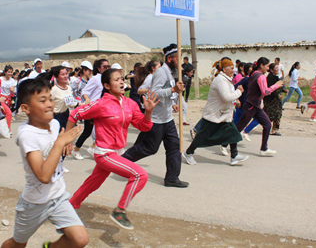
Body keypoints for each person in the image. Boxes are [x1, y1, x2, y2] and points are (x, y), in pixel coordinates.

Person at [0, 77, 88, 248]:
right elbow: (43, 175)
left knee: (80, 239)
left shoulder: (54, 124)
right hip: (34, 203)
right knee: (18, 244)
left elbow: (54, 150)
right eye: (42, 100)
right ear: (26, 108)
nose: (49, 104)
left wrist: (65, 143)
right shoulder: (27, 135)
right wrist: (60, 144)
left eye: (50, 98)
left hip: (58, 196)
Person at [67, 69, 158, 230]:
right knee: (140, 175)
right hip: (104, 153)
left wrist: (148, 112)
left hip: (117, 152)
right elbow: (75, 114)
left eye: (122, 79)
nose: (122, 82)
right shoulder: (101, 104)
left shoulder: (130, 104)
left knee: (93, 183)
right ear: (107, 86)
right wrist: (67, 140)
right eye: (117, 80)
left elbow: (143, 126)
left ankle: (69, 206)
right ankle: (119, 211)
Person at [122, 43, 189, 188]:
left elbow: (169, 92)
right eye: (178, 58)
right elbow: (154, 92)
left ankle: (172, 178)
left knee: (175, 147)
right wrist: (172, 89)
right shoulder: (161, 72)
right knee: (149, 148)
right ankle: (122, 162)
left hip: (168, 118)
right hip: (156, 120)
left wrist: (173, 101)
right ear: (170, 59)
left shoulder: (172, 73)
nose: (181, 61)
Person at [182, 58, 248, 166]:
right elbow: (226, 97)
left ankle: (234, 156)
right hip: (214, 115)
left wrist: (235, 100)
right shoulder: (220, 80)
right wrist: (239, 92)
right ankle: (188, 153)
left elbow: (229, 96)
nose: (233, 70)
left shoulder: (226, 79)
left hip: (224, 114)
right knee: (201, 136)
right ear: (225, 69)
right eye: (231, 68)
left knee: (233, 133)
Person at [236, 57, 284, 156]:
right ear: (261, 65)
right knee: (238, 128)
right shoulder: (260, 76)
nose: (268, 68)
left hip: (255, 106)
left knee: (267, 124)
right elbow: (265, 92)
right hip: (251, 106)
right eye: (267, 66)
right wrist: (276, 85)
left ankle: (264, 149)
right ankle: (224, 144)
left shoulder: (254, 74)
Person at [73, 59, 109, 157]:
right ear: (98, 68)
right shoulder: (96, 78)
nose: (107, 68)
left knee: (103, 130)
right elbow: (85, 91)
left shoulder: (107, 79)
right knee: (87, 132)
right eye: (104, 67)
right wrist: (87, 99)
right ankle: (76, 149)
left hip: (102, 109)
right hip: (93, 108)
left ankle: (94, 148)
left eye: (108, 66)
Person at [232, 63, 259, 143]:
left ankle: (244, 132)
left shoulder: (253, 79)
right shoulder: (246, 79)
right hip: (242, 105)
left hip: (250, 105)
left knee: (258, 118)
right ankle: (226, 140)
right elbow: (234, 87)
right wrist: (237, 99)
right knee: (234, 124)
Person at [264, 63, 287, 136]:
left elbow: (278, 87)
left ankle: (274, 130)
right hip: (271, 100)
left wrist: (284, 90)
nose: (277, 69)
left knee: (277, 115)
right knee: (270, 115)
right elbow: (270, 89)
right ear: (271, 70)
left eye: (278, 68)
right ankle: (267, 128)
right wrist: (277, 95)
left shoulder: (276, 77)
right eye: (276, 68)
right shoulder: (270, 78)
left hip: (276, 100)